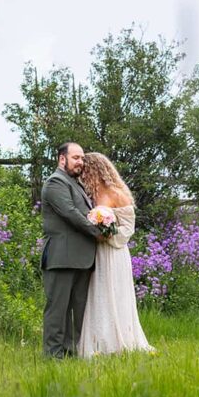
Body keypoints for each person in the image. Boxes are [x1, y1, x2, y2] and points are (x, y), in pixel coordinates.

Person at [78, 152, 154, 357]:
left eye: (85, 170)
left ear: (95, 170)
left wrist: (106, 234)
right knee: (98, 294)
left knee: (115, 293)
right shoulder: (89, 193)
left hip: (114, 252)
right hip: (97, 252)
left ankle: (117, 342)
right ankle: (98, 341)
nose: (82, 174)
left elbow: (128, 229)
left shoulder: (116, 193)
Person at [40, 141, 104, 359]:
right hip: (61, 257)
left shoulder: (75, 183)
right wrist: (98, 232)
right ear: (62, 159)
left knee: (77, 311)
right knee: (58, 310)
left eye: (82, 158)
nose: (81, 162)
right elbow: (70, 213)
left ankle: (70, 354)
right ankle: (53, 356)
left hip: (81, 259)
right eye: (76, 158)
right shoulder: (55, 182)